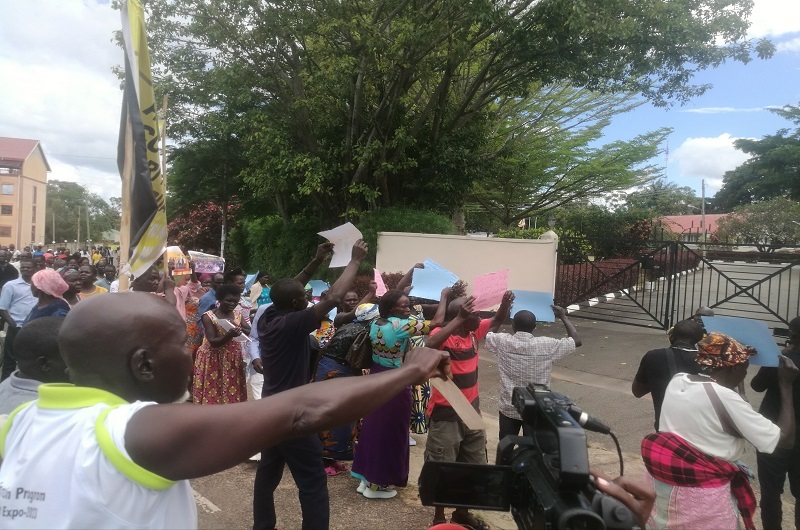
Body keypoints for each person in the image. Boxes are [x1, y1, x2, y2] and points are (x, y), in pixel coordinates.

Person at [0, 291, 452, 529]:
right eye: (182, 342)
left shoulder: (16, 424)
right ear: (144, 364)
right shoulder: (124, 431)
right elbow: (299, 413)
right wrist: (408, 371)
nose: (191, 351)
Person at [253, 240, 364, 530]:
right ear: (295, 304)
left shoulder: (268, 316)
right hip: (294, 415)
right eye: (305, 296)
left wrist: (316, 260)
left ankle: (262, 526)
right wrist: (354, 261)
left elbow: (289, 287)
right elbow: (334, 297)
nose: (310, 296)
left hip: (270, 410)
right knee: (313, 483)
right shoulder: (292, 324)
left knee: (267, 476)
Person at [643, 332, 798, 530]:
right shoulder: (726, 399)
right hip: (702, 495)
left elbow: (724, 394)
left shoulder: (678, 380)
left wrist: (739, 371)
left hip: (666, 483)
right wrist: (786, 385)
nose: (745, 374)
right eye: (745, 369)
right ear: (734, 367)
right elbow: (785, 440)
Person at [350, 288, 473, 500]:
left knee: (373, 428)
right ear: (391, 308)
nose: (408, 309)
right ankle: (377, 485)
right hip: (395, 382)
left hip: (376, 377)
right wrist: (445, 299)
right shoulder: (400, 326)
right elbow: (436, 324)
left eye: (408, 305)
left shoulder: (377, 323)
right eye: (403, 306)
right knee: (391, 431)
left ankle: (366, 478)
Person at [425, 291, 514, 529]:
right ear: (462, 317)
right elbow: (428, 344)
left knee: (473, 466)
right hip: (447, 412)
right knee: (443, 466)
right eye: (474, 314)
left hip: (471, 411)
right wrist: (458, 319)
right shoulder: (442, 336)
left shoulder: (474, 333)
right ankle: (439, 518)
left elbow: (496, 320)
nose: (480, 317)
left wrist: (505, 305)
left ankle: (461, 514)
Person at [485, 305, 582, 440]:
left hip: (509, 407)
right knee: (534, 449)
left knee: (506, 447)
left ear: (513, 325)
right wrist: (563, 316)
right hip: (536, 409)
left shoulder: (502, 341)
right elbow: (576, 341)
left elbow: (488, 334)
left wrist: (501, 316)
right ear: (534, 326)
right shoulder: (547, 345)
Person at [751, 315, 800, 530]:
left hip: (773, 431)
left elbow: (757, 385)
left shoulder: (781, 360)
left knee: (770, 492)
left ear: (792, 335)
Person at [631, 318, 705, 431]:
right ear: (699, 341)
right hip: (700, 431)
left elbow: (637, 392)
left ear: (671, 337)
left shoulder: (653, 356)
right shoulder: (708, 361)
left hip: (666, 430)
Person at [192, 284, 250, 405]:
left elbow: (249, 331)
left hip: (231, 357)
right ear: (219, 299)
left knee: (231, 386)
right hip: (212, 358)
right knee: (212, 388)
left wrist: (237, 328)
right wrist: (230, 334)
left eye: (235, 301)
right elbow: (213, 342)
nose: (232, 304)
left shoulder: (237, 314)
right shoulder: (208, 316)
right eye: (228, 300)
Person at [0, 316, 68, 414]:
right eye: (70, 358)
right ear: (44, 364)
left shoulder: (7, 385)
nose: (78, 364)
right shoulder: (43, 410)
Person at [0, 258, 37, 381]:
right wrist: (12, 323)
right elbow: (2, 308)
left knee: (32, 360)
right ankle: (4, 387)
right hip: (17, 328)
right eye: (23, 267)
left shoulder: (39, 285)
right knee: (10, 360)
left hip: (35, 328)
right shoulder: (11, 285)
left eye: (28, 267)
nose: (25, 269)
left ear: (35, 269)